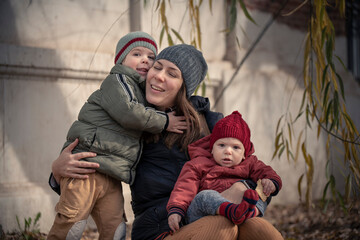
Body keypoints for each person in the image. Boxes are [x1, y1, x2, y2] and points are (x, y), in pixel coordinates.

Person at [49, 44, 284, 240]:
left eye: (172, 74)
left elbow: (254, 168)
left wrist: (246, 187)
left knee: (260, 229)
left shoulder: (211, 125)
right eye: (157, 67)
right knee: (221, 228)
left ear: (184, 87)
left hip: (208, 213)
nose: (159, 76)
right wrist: (58, 171)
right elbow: (96, 166)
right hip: (159, 229)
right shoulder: (131, 121)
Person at [47, 32, 186, 240]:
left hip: (112, 175)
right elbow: (129, 113)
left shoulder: (142, 93)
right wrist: (166, 121)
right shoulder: (118, 81)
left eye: (151, 57)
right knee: (72, 224)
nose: (145, 60)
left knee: (116, 228)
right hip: (86, 167)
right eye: (137, 53)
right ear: (121, 59)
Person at [167, 111, 282, 234]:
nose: (228, 151)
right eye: (221, 145)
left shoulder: (250, 163)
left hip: (240, 208)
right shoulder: (198, 164)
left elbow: (266, 171)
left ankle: (248, 212)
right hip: (203, 214)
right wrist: (176, 210)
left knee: (260, 193)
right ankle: (234, 212)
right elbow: (184, 188)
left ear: (244, 153)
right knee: (204, 196)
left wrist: (271, 181)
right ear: (212, 149)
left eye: (235, 147)